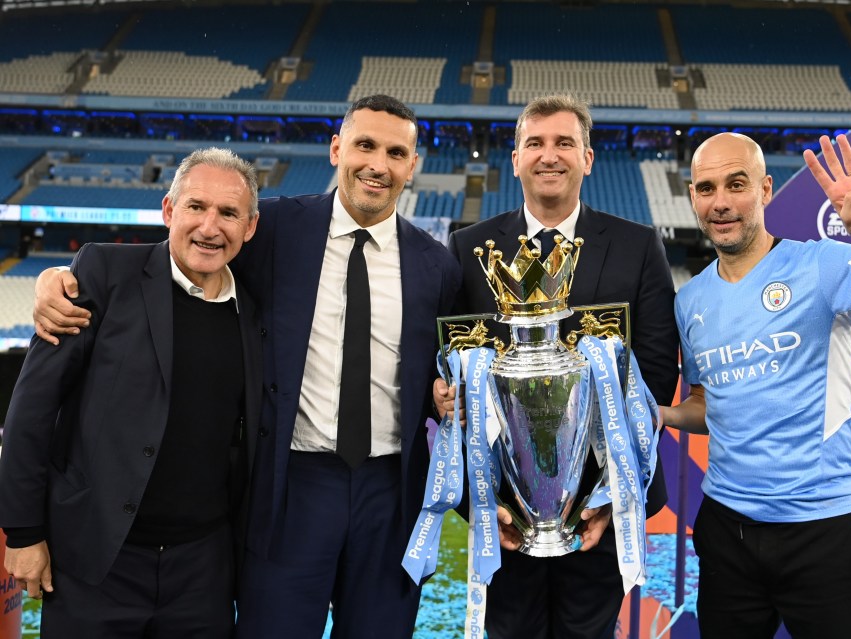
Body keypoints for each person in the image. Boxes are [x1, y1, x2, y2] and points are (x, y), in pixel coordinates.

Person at [32, 95, 461, 639]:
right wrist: (61, 277)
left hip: (390, 487)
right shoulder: (276, 227)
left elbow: (445, 366)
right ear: (337, 150)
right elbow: (182, 252)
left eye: (396, 152)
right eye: (365, 145)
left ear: (413, 165)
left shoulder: (436, 263)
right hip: (291, 482)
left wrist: (445, 395)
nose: (378, 164)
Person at [660, 132, 851, 639]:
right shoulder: (690, 301)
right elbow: (706, 406)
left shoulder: (821, 264)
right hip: (726, 530)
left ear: (766, 189)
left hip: (821, 530)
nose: (722, 202)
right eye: (707, 189)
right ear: (692, 197)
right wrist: (662, 416)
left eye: (737, 184)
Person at [435, 94, 679, 639]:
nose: (550, 156)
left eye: (565, 143)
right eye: (535, 144)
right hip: (501, 509)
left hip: (602, 507)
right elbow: (451, 371)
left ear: (588, 158)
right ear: (516, 159)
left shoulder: (638, 246)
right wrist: (485, 499)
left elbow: (656, 376)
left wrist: (610, 496)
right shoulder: (469, 248)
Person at [0, 147, 263, 638]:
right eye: (195, 207)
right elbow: (32, 409)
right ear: (168, 210)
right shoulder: (105, 273)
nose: (210, 226)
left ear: (249, 227)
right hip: (96, 559)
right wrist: (23, 533)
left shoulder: (254, 310)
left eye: (228, 213)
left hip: (202, 571)